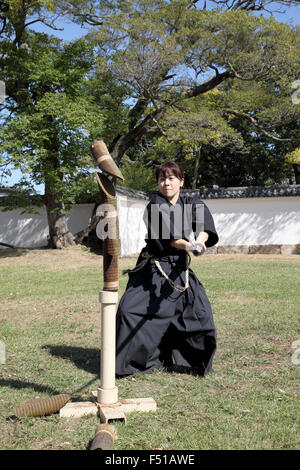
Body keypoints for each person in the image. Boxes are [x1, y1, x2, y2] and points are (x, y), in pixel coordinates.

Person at [115, 161, 219, 377]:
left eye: (171, 178)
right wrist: (190, 246)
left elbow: (204, 227)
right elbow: (171, 239)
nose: (166, 183)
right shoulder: (154, 205)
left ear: (181, 181)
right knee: (129, 311)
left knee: (199, 314)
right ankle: (136, 362)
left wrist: (199, 241)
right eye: (162, 179)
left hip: (179, 269)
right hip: (153, 267)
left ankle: (190, 360)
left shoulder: (191, 202)